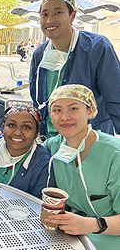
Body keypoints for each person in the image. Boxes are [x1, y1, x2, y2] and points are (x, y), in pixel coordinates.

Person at [29, 0, 120, 139]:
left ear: (72, 15)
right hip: (50, 139)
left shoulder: (97, 47)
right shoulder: (40, 53)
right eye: (44, 14)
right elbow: (37, 99)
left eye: (58, 12)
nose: (50, 20)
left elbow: (116, 97)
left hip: (89, 140)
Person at [43, 84, 120, 249]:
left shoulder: (115, 154)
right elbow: (28, 150)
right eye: (57, 110)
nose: (64, 117)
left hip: (110, 235)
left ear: (90, 111)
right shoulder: (54, 146)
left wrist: (92, 224)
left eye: (73, 108)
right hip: (71, 231)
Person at [0, 105, 54, 199]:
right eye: (11, 125)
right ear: (3, 127)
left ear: (37, 132)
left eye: (26, 127)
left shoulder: (43, 164)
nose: (17, 132)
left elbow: (41, 205)